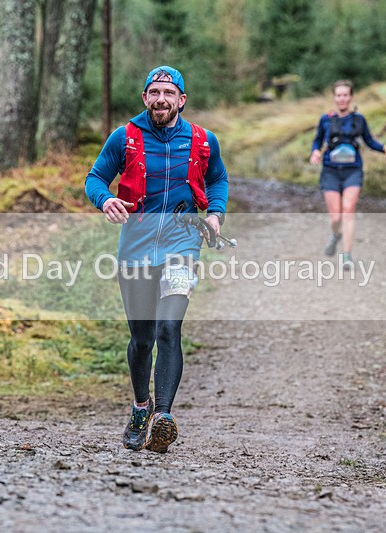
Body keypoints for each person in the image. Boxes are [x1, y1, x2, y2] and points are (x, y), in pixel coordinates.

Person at [85, 66, 229, 453]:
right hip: (135, 247)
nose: (161, 99)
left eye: (169, 92)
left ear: (181, 100)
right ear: (145, 98)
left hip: (183, 244)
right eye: (154, 92)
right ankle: (140, 407)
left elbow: (218, 179)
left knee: (169, 328)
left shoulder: (202, 140)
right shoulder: (125, 137)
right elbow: (95, 178)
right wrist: (106, 199)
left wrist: (214, 213)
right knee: (142, 339)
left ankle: (162, 417)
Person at [309, 80, 386, 268]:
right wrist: (315, 152)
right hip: (331, 171)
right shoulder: (325, 120)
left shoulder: (359, 120)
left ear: (351, 97)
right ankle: (335, 234)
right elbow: (317, 142)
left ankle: (346, 255)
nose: (342, 99)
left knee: (348, 209)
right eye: (338, 95)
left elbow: (370, 141)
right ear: (334, 98)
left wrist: (385, 148)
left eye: (345, 95)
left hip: (353, 170)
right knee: (336, 217)